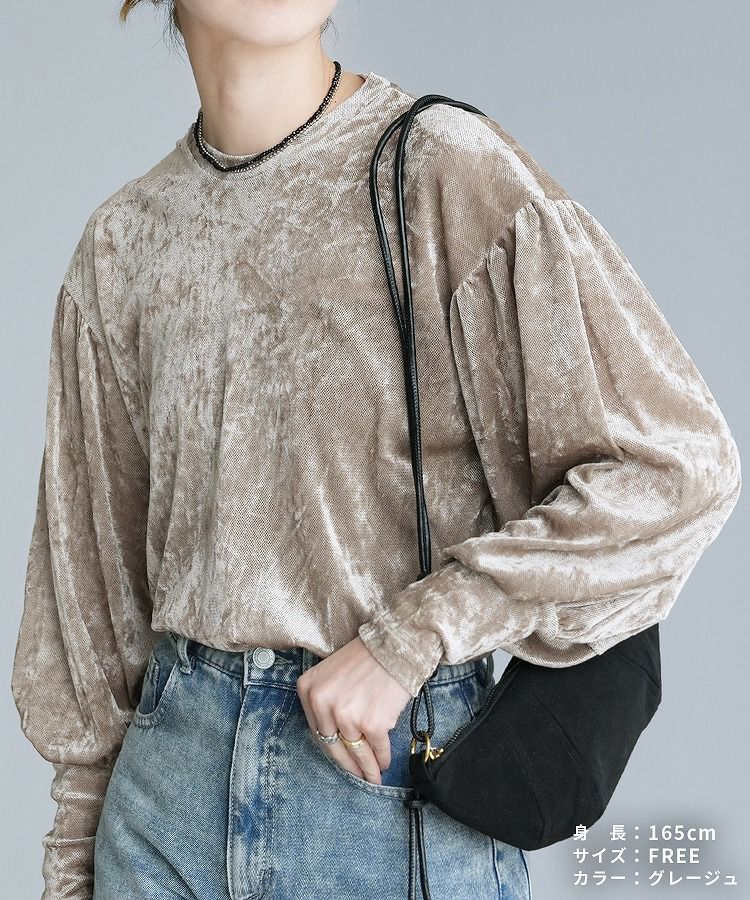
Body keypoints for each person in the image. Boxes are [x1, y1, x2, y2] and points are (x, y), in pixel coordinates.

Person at [11, 1, 742, 899]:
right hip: (161, 810)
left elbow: (675, 467)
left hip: (381, 796)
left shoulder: (441, 169)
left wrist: (410, 638)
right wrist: (71, 869)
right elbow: (92, 606)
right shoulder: (123, 242)